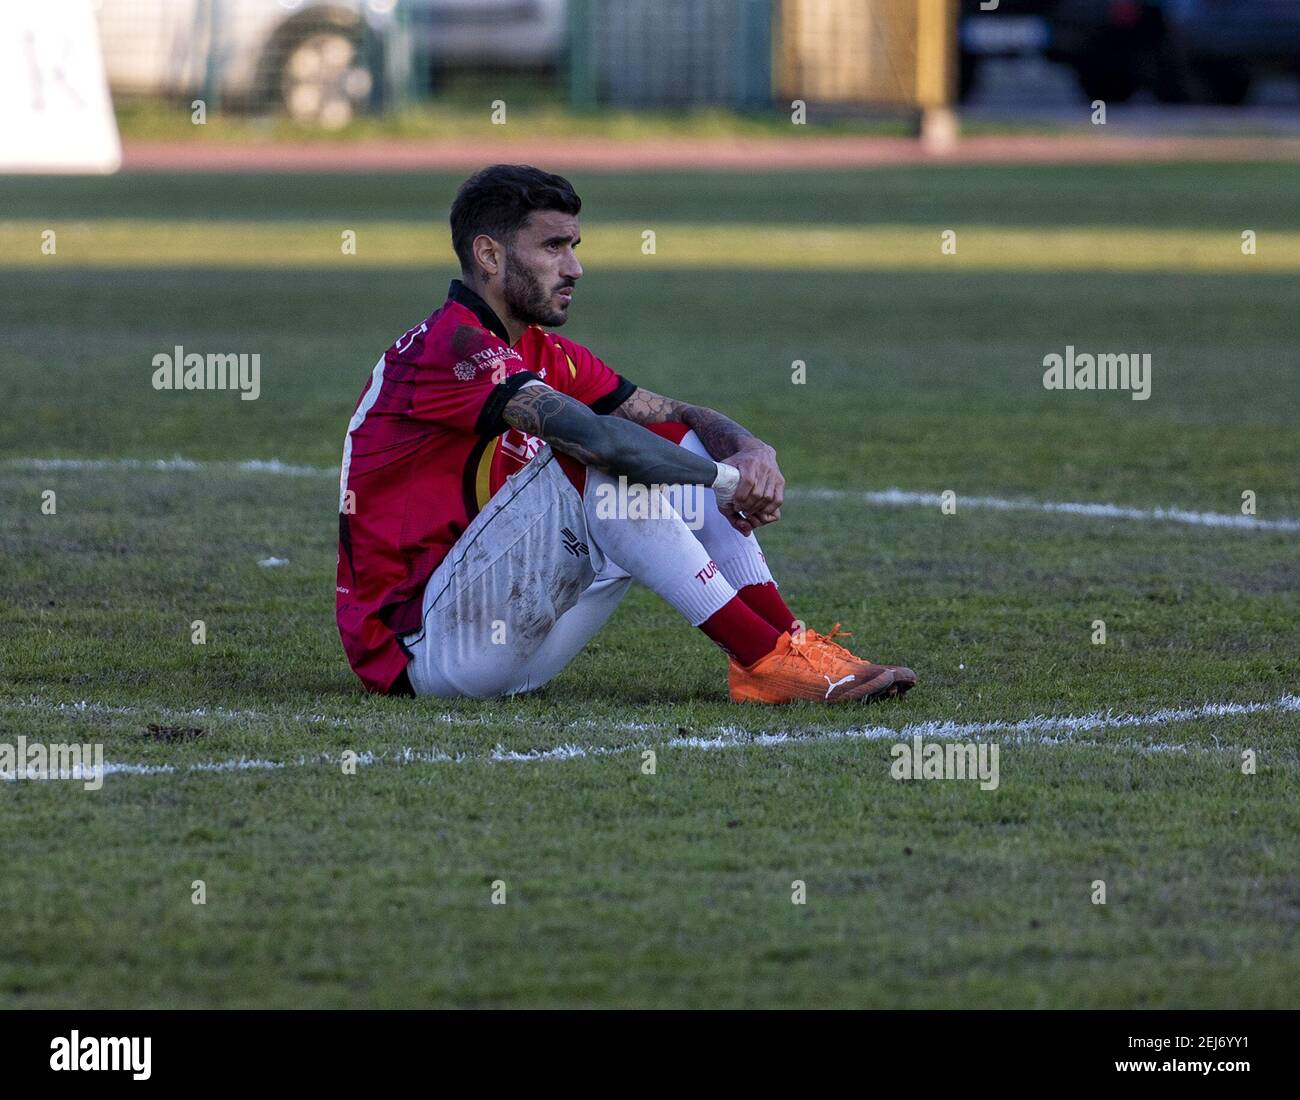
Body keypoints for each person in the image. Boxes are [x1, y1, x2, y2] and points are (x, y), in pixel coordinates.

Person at [336, 165, 916, 703]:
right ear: (489, 255)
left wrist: (749, 448)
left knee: (663, 439)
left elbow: (678, 418)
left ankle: (788, 646)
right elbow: (601, 443)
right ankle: (763, 657)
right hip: (428, 648)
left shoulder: (543, 350)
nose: (574, 268)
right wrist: (727, 480)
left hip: (509, 637)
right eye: (552, 247)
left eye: (574, 247)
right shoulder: (451, 347)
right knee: (599, 457)